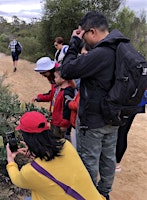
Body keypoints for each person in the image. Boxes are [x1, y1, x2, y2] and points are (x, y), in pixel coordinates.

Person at [60, 11, 124, 200]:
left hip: (93, 120)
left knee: (88, 161)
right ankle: (103, 194)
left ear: (93, 32)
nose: (83, 39)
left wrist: (73, 42)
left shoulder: (101, 53)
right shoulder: (120, 48)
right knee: (108, 159)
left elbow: (66, 70)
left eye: (83, 34)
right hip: (113, 117)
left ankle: (88, 196)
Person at [6, 111, 106, 200]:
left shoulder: (31, 171)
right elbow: (55, 168)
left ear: (27, 138)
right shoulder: (66, 145)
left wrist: (10, 160)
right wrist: (37, 155)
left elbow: (16, 179)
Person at [115, 90, 147, 172]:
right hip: (137, 100)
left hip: (125, 100)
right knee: (122, 132)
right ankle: (116, 163)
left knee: (119, 132)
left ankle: (115, 162)